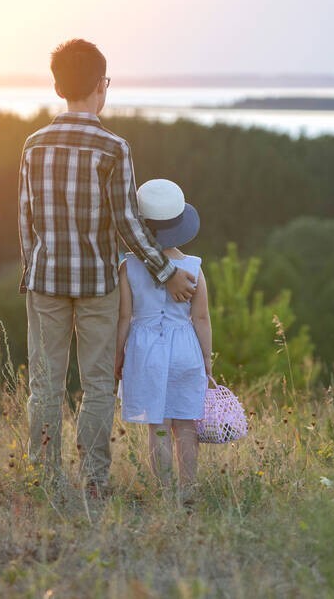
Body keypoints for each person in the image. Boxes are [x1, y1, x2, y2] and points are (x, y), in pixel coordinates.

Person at [18, 39, 197, 501]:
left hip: (45, 282)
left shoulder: (33, 145)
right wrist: (166, 273)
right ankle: (94, 483)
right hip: (97, 284)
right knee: (97, 385)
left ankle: (44, 480)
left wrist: (31, 273)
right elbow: (128, 224)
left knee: (45, 386)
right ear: (103, 86)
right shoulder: (113, 147)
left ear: (57, 86)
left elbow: (26, 221)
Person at [115, 179, 212, 501]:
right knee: (186, 427)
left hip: (145, 351)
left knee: (157, 428)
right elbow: (200, 318)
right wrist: (207, 361)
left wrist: (118, 357)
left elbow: (125, 317)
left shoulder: (128, 267)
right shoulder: (194, 267)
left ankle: (165, 492)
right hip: (185, 348)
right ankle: (189, 490)